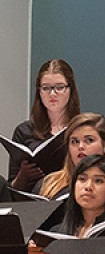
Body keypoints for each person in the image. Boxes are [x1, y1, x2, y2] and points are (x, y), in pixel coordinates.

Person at [36, 113, 105, 217]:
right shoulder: (47, 184)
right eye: (74, 141)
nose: (80, 146)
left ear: (104, 145)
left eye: (89, 140)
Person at [8, 59, 80, 191]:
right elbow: (11, 191)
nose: (52, 93)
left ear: (71, 89)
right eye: (46, 88)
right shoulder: (24, 131)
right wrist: (23, 175)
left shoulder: (82, 128)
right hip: (34, 203)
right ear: (39, 92)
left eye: (59, 87)